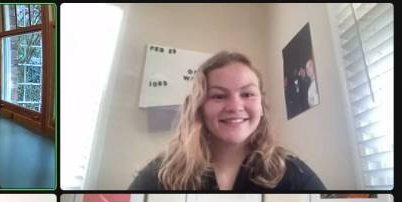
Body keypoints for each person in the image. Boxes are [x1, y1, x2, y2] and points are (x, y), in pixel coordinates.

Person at [129, 51, 325, 191]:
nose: (235, 106)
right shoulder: (160, 173)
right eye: (218, 96)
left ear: (262, 106)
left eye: (247, 94)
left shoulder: (292, 172)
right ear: (199, 107)